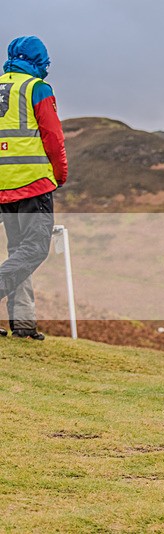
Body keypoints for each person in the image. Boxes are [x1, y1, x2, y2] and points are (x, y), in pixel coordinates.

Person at [0, 36, 68, 340]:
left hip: (2, 186)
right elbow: (53, 137)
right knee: (35, 248)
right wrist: (59, 174)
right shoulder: (36, 88)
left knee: (19, 251)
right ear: (38, 61)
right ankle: (23, 323)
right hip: (31, 183)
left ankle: (24, 324)